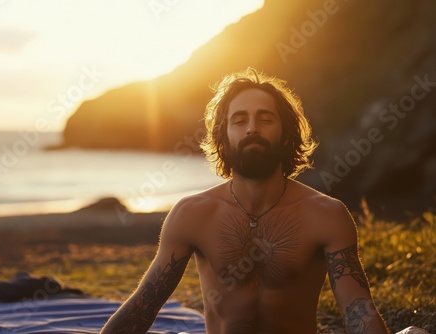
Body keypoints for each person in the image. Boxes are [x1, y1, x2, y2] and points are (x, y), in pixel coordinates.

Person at [100, 69, 422, 333]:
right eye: (239, 120)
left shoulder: (326, 214)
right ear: (224, 136)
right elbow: (144, 305)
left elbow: (357, 309)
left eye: (265, 119)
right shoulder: (192, 214)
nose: (252, 128)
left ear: (285, 133)